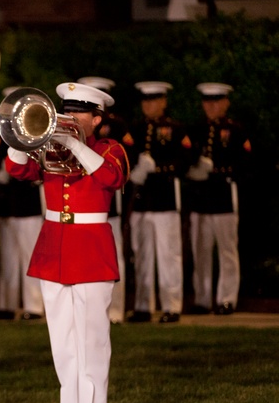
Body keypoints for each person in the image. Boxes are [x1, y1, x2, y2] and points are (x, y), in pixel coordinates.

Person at [4, 82, 127, 403]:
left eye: (78, 112)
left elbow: (111, 177)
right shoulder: (49, 147)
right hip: (53, 247)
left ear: (97, 119)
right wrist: (18, 135)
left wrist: (75, 143)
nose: (69, 117)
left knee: (91, 338)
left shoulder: (110, 148)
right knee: (62, 339)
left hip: (91, 248)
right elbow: (18, 170)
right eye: (66, 110)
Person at [126, 81, 193, 324]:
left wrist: (158, 169)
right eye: (145, 100)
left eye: (153, 100)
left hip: (165, 200)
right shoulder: (134, 129)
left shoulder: (175, 128)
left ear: (164, 101)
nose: (149, 105)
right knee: (141, 255)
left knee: (169, 255)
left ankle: (171, 306)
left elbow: (184, 161)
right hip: (142, 202)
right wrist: (133, 172)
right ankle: (143, 306)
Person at [186, 82, 251, 315]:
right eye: (207, 102)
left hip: (224, 197)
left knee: (227, 252)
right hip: (200, 199)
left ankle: (226, 299)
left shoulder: (236, 130)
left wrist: (217, 170)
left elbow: (245, 164)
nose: (211, 106)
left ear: (226, 103)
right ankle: (202, 299)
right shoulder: (195, 130)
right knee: (200, 251)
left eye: (216, 101)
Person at [78, 76, 131, 323]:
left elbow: (121, 162)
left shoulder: (116, 126)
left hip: (106, 204)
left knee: (112, 259)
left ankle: (116, 311)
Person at [0, 88, 44, 321]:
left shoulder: (36, 126)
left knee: (30, 257)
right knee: (8, 258)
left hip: (29, 203)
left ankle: (34, 306)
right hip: (6, 203)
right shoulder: (0, 131)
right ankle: (7, 304)